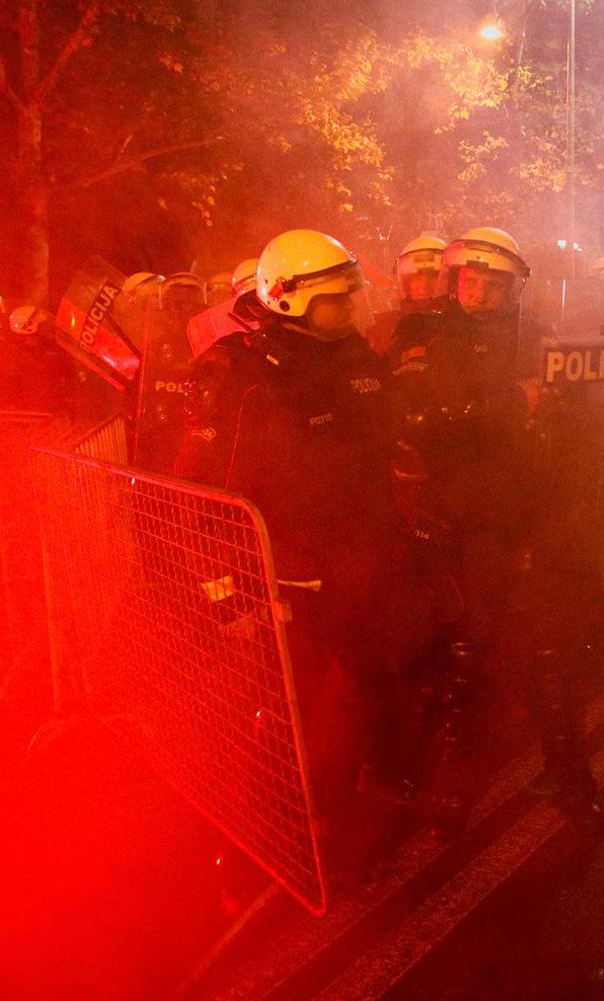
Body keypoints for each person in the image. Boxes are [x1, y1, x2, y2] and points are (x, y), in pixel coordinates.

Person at [176, 229, 435, 871]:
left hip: (366, 554)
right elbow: (201, 488)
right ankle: (287, 821)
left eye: (352, 297)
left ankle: (365, 792)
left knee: (370, 674)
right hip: (293, 571)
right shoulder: (240, 374)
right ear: (287, 298)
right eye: (336, 300)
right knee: (295, 702)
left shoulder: (352, 354)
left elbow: (385, 436)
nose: (350, 310)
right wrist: (223, 580)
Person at [386, 226, 597, 829]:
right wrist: (510, 401)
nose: (480, 293)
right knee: (460, 641)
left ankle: (567, 770)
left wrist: (555, 406)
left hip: (523, 504)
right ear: (454, 280)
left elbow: (565, 404)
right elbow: (419, 412)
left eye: (494, 283)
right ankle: (448, 776)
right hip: (446, 507)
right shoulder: (421, 329)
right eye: (470, 280)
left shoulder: (533, 336)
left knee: (535, 637)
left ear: (514, 289)